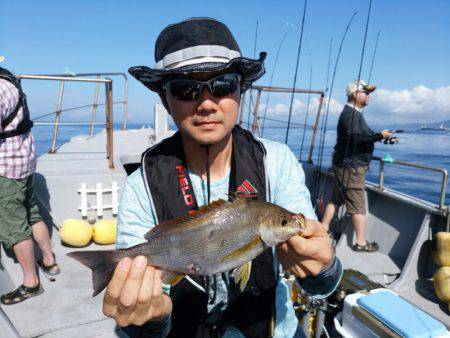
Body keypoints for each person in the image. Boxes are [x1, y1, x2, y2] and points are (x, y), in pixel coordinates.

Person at [103, 18, 342, 337]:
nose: (206, 103)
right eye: (184, 88)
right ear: (165, 98)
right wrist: (151, 320)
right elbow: (140, 327)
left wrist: (323, 270)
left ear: (241, 89)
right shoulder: (142, 184)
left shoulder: (276, 161)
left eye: (222, 84)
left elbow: (319, 284)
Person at [0, 57, 60, 305]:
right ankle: (49, 261)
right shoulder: (9, 81)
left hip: (6, 166)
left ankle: (30, 283)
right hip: (25, 161)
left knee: (13, 225)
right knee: (32, 212)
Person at [321, 80, 393, 252]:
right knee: (358, 205)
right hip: (351, 168)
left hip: (344, 165)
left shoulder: (353, 114)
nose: (368, 96)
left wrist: (381, 136)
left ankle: (323, 228)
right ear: (355, 95)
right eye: (365, 92)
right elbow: (355, 138)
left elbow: (362, 135)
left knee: (337, 198)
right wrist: (378, 136)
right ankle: (360, 243)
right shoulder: (350, 115)